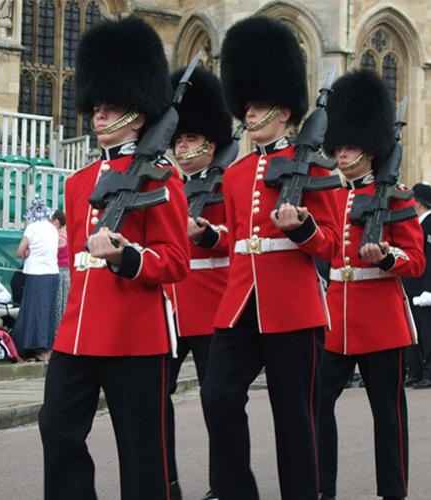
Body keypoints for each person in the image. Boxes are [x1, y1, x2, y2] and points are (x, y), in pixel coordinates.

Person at [38, 18, 189, 500]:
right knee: (57, 430)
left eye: (112, 107)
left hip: (135, 334)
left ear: (138, 113)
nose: (99, 116)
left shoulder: (162, 178)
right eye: (97, 107)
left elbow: (175, 261)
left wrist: (128, 258)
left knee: (143, 454)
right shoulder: (79, 182)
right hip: (78, 331)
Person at [200, 16, 340, 500]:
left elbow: (333, 244)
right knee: (218, 398)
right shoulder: (236, 174)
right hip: (240, 303)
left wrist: (301, 228)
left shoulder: (316, 168)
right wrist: (207, 238)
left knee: (294, 415)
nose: (249, 111)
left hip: (293, 306)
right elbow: (238, 240)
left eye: (258, 104)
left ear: (282, 111)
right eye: (247, 103)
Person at [318, 70, 426, 500]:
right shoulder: (331, 195)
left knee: (387, 412)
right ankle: (322, 487)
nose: (342, 156)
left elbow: (415, 260)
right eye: (339, 148)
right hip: (336, 319)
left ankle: (393, 491)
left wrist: (387, 257)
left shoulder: (397, 197)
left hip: (381, 321)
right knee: (316, 403)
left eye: (350, 148)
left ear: (370, 150)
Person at [167, 67, 233, 500]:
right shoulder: (166, 185)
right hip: (170, 308)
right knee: (154, 398)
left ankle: (223, 485)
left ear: (211, 144)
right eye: (179, 141)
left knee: (219, 403)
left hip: (212, 308)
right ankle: (164, 480)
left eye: (191, 140)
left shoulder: (230, 183)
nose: (183, 147)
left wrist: (208, 235)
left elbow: (238, 238)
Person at [11, 198, 59, 362]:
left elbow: (20, 251)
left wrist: (27, 253)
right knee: (46, 310)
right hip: (53, 272)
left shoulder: (32, 228)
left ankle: (31, 347)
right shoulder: (53, 229)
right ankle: (45, 347)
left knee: (32, 310)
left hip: (36, 273)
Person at [402, 181, 431, 388]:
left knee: (427, 331)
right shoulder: (417, 224)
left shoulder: (429, 223)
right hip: (412, 286)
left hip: (425, 288)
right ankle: (416, 371)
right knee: (415, 332)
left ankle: (428, 371)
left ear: (418, 203)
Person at [50, 210, 69, 329]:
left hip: (60, 273)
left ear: (56, 222)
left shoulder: (59, 237)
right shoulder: (65, 234)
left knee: (59, 305)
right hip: (65, 272)